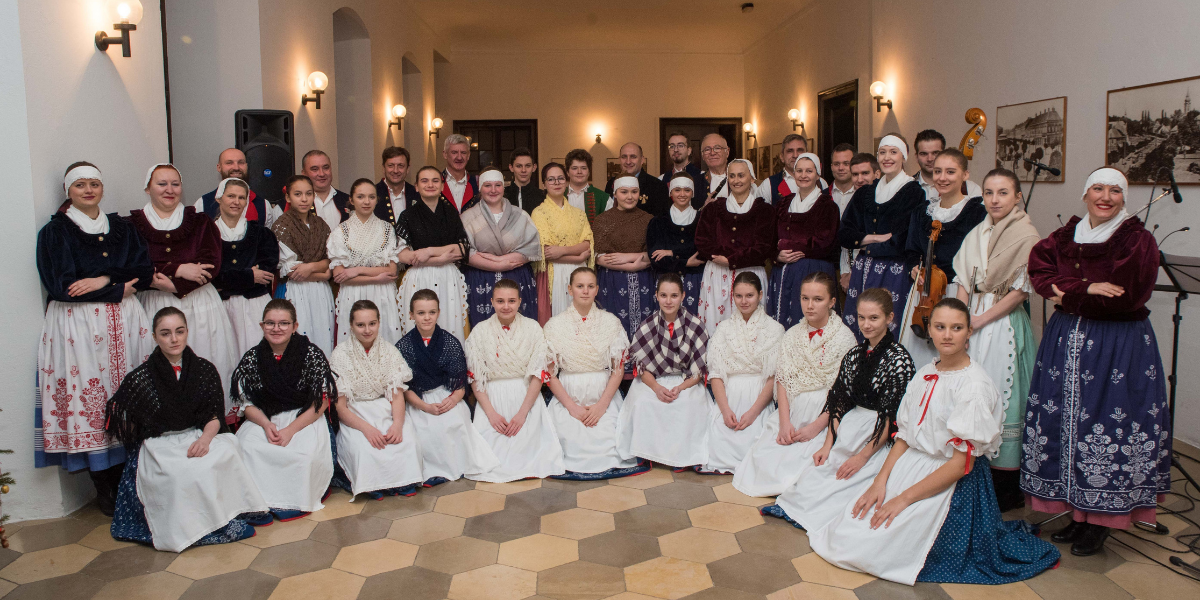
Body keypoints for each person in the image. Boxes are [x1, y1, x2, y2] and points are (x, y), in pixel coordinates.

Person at [810, 299, 1059, 586]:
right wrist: (880, 482)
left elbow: (959, 465)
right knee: (843, 534)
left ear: (969, 333)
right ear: (930, 329)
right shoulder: (926, 373)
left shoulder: (974, 386)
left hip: (950, 478)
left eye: (957, 328)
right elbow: (904, 436)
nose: (947, 335)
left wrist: (902, 500)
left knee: (870, 549)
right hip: (910, 466)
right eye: (940, 327)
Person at [1022, 167, 1171, 556]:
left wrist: (1064, 293)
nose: (1106, 197)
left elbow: (1125, 296)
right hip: (1066, 342)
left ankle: (1102, 520)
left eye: (1115, 191)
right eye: (1098, 189)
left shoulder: (1138, 241)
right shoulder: (1063, 235)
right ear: (1085, 193)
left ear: (1124, 198)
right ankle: (1076, 512)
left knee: (1105, 422)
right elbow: (1039, 272)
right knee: (1066, 422)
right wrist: (1085, 287)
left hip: (1117, 346)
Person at [35, 161, 154, 515]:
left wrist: (103, 281)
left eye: (94, 184)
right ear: (68, 191)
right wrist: (119, 288)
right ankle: (104, 485)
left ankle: (134, 476)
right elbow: (62, 286)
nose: (88, 190)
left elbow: (143, 272)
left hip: (125, 324)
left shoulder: (122, 228)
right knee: (92, 396)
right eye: (80, 185)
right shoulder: (55, 233)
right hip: (79, 329)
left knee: (128, 391)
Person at [106, 307, 266, 552]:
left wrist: (204, 440)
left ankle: (227, 515)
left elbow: (213, 416)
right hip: (161, 442)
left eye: (179, 332)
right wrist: (142, 439)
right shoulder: (141, 377)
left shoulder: (204, 370)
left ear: (187, 333)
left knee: (227, 452)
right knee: (181, 474)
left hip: (200, 433)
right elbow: (120, 413)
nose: (174, 339)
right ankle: (198, 528)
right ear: (154, 337)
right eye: (165, 333)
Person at [761, 288, 915, 532]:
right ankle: (795, 508)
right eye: (861, 318)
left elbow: (892, 417)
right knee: (818, 471)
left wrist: (862, 457)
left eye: (874, 318)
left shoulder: (899, 359)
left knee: (848, 481)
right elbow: (839, 403)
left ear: (890, 318)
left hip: (875, 438)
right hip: (848, 430)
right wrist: (827, 444)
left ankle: (817, 516)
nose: (866, 324)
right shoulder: (854, 355)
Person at [950, 168, 1040, 512]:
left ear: (1017, 197)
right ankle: (974, 473)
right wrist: (958, 321)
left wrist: (980, 320)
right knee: (970, 394)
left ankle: (1007, 486)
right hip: (972, 317)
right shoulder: (977, 231)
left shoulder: (1025, 234)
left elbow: (1020, 292)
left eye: (1003, 193)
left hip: (1002, 323)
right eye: (989, 192)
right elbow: (962, 277)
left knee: (1007, 400)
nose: (995, 199)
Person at [130, 163, 239, 419]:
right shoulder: (133, 225)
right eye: (162, 184)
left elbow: (211, 262)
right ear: (148, 188)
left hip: (199, 304)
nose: (170, 190)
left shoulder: (199, 222)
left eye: (175, 184)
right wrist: (178, 270)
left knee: (204, 356)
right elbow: (135, 264)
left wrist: (176, 285)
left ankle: (209, 421)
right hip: (155, 304)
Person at [733, 272, 856, 497]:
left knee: (809, 469)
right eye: (804, 298)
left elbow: (843, 392)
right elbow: (782, 379)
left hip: (825, 413)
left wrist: (816, 426)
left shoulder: (845, 339)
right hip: (794, 408)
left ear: (832, 302)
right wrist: (784, 422)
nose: (809, 306)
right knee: (764, 459)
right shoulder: (791, 335)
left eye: (818, 299)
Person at [230, 299, 338, 521]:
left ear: (295, 326)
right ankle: (258, 501)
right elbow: (247, 405)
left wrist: (290, 430)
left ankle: (295, 499)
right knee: (246, 448)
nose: (276, 328)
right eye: (270, 323)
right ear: (262, 326)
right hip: (264, 417)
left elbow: (322, 403)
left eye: (283, 323)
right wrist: (266, 424)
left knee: (303, 455)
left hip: (304, 416)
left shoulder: (311, 354)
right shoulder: (251, 358)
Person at [544, 267, 648, 479]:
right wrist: (572, 407)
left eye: (590, 286)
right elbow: (549, 374)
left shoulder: (611, 322)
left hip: (603, 395)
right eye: (579, 286)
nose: (585, 291)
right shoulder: (554, 325)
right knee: (567, 440)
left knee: (610, 441)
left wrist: (602, 406)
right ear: (569, 289)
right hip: (569, 396)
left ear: (597, 290)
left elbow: (618, 370)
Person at [466, 280, 566, 481]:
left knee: (530, 455)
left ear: (520, 301)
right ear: (492, 302)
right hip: (491, 399)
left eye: (511, 301)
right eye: (500, 301)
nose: (506, 306)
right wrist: (491, 414)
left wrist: (522, 414)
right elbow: (476, 377)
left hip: (525, 397)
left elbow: (538, 374)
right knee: (489, 457)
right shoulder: (480, 331)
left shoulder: (533, 328)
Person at [397, 290, 499, 485]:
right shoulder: (404, 346)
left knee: (452, 422)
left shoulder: (450, 343)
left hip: (447, 395)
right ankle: (430, 470)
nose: (427, 317)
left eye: (431, 312)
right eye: (420, 313)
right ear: (411, 315)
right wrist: (424, 406)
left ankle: (456, 466)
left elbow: (460, 384)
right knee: (421, 428)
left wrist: (452, 400)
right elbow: (405, 387)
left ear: (438, 313)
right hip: (418, 400)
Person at [900, 148, 987, 366]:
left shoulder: (977, 211)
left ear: (965, 175)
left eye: (950, 172)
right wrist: (913, 268)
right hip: (924, 293)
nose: (942, 177)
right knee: (919, 356)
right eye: (938, 171)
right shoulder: (922, 212)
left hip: (959, 292)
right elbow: (911, 251)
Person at [329, 300, 424, 498]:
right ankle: (372, 484)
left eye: (372, 323)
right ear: (351, 325)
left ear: (379, 323)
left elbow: (397, 395)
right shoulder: (340, 354)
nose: (367, 330)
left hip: (385, 408)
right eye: (360, 325)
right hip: (355, 413)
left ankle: (402, 480)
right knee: (365, 446)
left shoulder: (389, 351)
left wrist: (397, 424)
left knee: (405, 441)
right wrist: (367, 429)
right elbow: (340, 406)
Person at [617, 274, 712, 470]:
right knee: (643, 402)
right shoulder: (647, 326)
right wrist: (657, 388)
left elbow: (699, 370)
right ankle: (647, 453)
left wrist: (680, 387)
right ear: (656, 296)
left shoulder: (696, 325)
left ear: (683, 296)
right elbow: (642, 369)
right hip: (654, 380)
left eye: (674, 295)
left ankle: (684, 455)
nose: (668, 301)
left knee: (688, 403)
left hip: (686, 381)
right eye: (664, 295)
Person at [838, 136, 926, 341]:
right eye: (882, 152)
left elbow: (905, 238)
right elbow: (844, 234)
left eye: (893, 152)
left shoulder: (913, 192)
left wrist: (863, 240)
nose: (887, 157)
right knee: (858, 328)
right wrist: (874, 238)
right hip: (862, 271)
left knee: (887, 328)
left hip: (895, 273)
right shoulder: (866, 192)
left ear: (903, 156)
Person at [699, 272, 784, 474]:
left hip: (759, 396)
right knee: (717, 443)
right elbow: (716, 373)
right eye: (738, 296)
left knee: (758, 447)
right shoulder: (724, 329)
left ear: (760, 295)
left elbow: (774, 376)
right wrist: (725, 409)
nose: (744, 301)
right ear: (732, 296)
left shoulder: (775, 329)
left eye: (749, 295)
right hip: (729, 395)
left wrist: (754, 412)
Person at [695, 158, 776, 334]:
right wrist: (719, 258)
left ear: (752, 179)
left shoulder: (764, 211)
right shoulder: (714, 208)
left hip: (750, 273)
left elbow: (764, 246)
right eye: (731, 176)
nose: (736, 180)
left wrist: (731, 260)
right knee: (717, 326)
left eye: (741, 175)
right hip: (717, 273)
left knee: (751, 328)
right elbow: (702, 240)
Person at [396, 166, 471, 340]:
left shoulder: (451, 213)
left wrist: (429, 251)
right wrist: (440, 259)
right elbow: (402, 254)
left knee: (448, 324)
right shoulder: (407, 215)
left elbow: (462, 247)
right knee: (420, 327)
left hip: (448, 278)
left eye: (435, 180)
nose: (430, 184)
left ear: (442, 185)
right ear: (416, 186)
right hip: (418, 278)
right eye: (424, 181)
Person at [462, 168, 542, 326]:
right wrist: (496, 265)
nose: (493, 190)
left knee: (519, 327)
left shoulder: (520, 215)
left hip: (516, 275)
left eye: (497, 185)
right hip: (480, 278)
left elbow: (532, 247)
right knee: (484, 327)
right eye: (487, 185)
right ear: (480, 188)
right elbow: (465, 251)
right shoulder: (467, 217)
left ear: (503, 188)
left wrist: (503, 261)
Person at [210, 178, 279, 357]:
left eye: (242, 198)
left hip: (254, 306)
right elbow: (211, 274)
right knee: (224, 356)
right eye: (231, 196)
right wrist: (249, 276)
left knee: (257, 355)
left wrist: (227, 279)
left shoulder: (261, 233)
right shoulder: (207, 235)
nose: (236, 202)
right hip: (220, 307)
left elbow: (266, 272)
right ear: (219, 198)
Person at [769, 153, 840, 328]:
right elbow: (770, 238)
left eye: (809, 171)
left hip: (813, 271)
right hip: (783, 273)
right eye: (799, 171)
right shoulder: (783, 204)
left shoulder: (827, 206)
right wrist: (776, 255)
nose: (803, 175)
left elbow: (825, 242)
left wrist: (786, 245)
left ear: (818, 174)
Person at [328, 179, 401, 346]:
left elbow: (391, 271)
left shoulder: (387, 229)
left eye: (371, 197)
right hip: (353, 295)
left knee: (384, 342)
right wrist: (376, 277)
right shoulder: (340, 232)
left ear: (377, 200)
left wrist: (355, 270)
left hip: (383, 294)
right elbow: (339, 275)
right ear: (351, 200)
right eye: (360, 197)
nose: (366, 202)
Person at [271, 175, 335, 356]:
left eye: (308, 194)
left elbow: (330, 259)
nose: (304, 199)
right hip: (295, 291)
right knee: (299, 335)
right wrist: (322, 273)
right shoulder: (282, 226)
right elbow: (291, 271)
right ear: (288, 197)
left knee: (322, 335)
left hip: (321, 293)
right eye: (298, 194)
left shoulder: (320, 224)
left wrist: (311, 268)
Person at [592, 176, 656, 346]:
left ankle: (642, 363)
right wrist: (632, 266)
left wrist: (627, 258)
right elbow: (598, 257)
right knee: (613, 322)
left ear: (639, 194)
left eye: (634, 192)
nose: (630, 196)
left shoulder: (649, 220)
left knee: (645, 322)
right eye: (624, 192)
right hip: (611, 280)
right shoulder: (602, 220)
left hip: (644, 279)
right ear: (615, 194)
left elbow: (653, 254)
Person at [531, 162, 594, 324]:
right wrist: (578, 257)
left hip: (579, 274)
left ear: (566, 181)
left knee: (581, 321)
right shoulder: (539, 213)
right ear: (544, 184)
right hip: (553, 274)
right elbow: (547, 253)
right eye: (551, 179)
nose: (557, 183)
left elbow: (587, 243)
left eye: (560, 178)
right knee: (558, 322)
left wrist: (562, 250)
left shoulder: (578, 214)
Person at [646, 174, 705, 313]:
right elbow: (656, 258)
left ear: (692, 193)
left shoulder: (702, 219)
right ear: (670, 192)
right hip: (666, 280)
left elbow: (703, 250)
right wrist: (685, 262)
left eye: (687, 190)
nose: (682, 194)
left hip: (695, 281)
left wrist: (672, 252)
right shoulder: (658, 221)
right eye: (677, 190)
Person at [193, 148, 280, 228]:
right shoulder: (202, 204)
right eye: (229, 163)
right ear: (219, 167)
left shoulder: (264, 205)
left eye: (241, 162)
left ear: (246, 166)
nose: (236, 167)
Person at [604, 142, 670, 217]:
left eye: (633, 157)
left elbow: (661, 220)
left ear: (642, 160)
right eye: (624, 157)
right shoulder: (611, 183)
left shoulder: (657, 186)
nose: (628, 161)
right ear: (619, 159)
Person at [913, 130, 982, 200]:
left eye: (935, 153)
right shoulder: (906, 187)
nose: (930, 159)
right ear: (916, 157)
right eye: (924, 154)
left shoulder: (971, 189)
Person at [757, 134, 825, 203]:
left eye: (800, 150)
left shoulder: (821, 182)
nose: (795, 155)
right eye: (790, 151)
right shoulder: (768, 185)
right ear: (782, 157)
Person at [829, 144, 858, 281]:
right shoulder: (822, 196)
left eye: (846, 163)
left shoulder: (864, 195)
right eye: (836, 164)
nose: (841, 168)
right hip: (829, 267)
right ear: (831, 166)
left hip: (856, 267)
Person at [301, 150, 351, 231]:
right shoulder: (290, 205)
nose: (321, 174)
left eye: (326, 168)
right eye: (315, 169)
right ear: (304, 174)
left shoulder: (349, 201)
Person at [565, 148, 612, 223]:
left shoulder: (603, 198)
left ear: (589, 172)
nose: (579, 172)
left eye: (583, 168)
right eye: (574, 168)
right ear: (567, 172)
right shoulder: (558, 196)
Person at [660, 132, 706, 206]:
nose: (675, 150)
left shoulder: (703, 176)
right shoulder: (661, 179)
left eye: (680, 145)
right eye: (671, 146)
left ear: (689, 150)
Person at [374, 146, 418, 224]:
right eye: (391, 165)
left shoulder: (417, 194)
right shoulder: (372, 194)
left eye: (400, 166)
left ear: (408, 169)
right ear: (383, 168)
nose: (395, 170)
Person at [442, 134, 480, 212]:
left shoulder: (478, 183)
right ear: (445, 154)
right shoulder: (435, 183)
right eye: (454, 152)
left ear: (468, 155)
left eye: (463, 152)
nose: (459, 157)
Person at [504, 147, 546, 214]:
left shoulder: (543, 197)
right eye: (519, 166)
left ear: (534, 167)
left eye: (528, 166)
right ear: (511, 168)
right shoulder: (503, 195)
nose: (523, 170)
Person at [699, 133, 732, 203]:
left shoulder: (741, 180)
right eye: (707, 149)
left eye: (717, 148)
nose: (712, 153)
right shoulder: (696, 183)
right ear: (703, 155)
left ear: (727, 152)